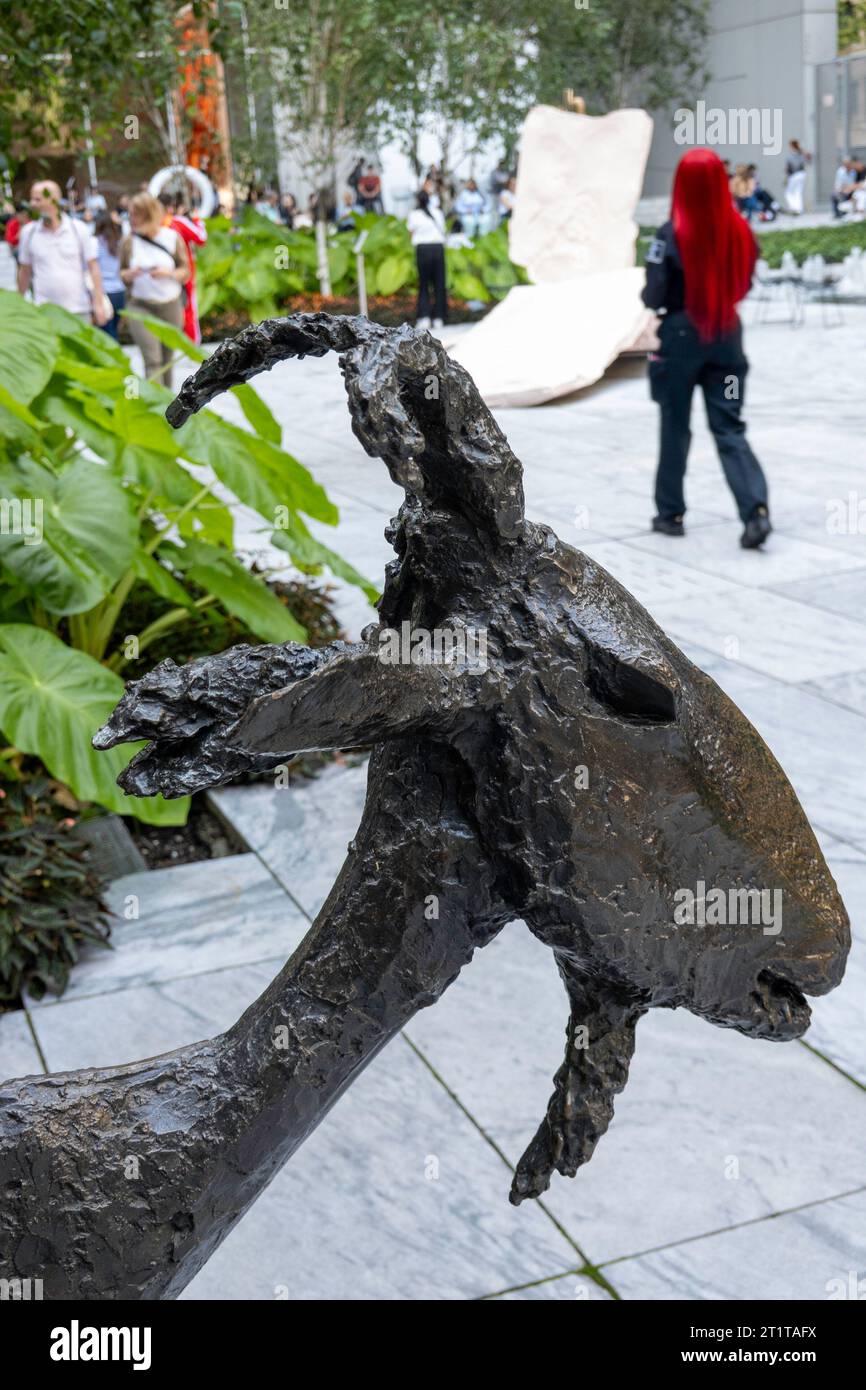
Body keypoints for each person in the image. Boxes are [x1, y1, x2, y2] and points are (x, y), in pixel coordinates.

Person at [641, 148, 771, 550]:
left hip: (680, 342)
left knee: (675, 426)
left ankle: (671, 514)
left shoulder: (668, 235)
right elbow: (745, 285)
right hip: (727, 344)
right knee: (730, 424)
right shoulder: (742, 232)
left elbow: (653, 294)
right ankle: (756, 512)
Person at [17, 180, 111, 325]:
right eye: (32, 199)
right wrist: (18, 305)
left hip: (78, 310)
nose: (32, 204)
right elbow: (24, 271)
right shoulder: (28, 233)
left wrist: (98, 304)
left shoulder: (78, 229)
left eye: (37, 199)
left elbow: (93, 268)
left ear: (53, 200)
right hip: (44, 312)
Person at [119, 192, 189, 378]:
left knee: (167, 361)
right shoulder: (129, 241)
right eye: (130, 214)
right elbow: (122, 274)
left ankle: (168, 404)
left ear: (149, 214)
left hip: (170, 305)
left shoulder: (171, 237)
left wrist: (169, 273)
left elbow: (185, 272)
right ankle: (155, 407)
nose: (131, 219)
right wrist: (130, 274)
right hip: (140, 306)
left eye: (136, 214)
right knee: (152, 360)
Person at [159, 191, 207, 344]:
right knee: (189, 309)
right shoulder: (178, 222)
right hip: (184, 272)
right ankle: (192, 345)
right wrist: (197, 220)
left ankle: (168, 344)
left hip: (161, 273)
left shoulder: (152, 225)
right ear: (171, 207)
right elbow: (201, 238)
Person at [407, 188, 447, 330]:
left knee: (424, 284)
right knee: (439, 283)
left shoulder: (414, 215)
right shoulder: (437, 212)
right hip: (437, 248)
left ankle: (424, 317)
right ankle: (439, 317)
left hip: (423, 249)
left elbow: (410, 232)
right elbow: (443, 229)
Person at [93, 212, 125, 337]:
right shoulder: (119, 243)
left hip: (103, 293)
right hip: (119, 291)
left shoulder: (95, 243)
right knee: (114, 330)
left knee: (106, 333)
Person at [784, 140, 811, 215]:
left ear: (792, 146)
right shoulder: (801, 153)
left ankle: (794, 208)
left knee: (788, 193)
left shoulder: (791, 155)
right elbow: (808, 160)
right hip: (802, 174)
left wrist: (786, 178)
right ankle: (799, 209)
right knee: (798, 192)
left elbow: (788, 168)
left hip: (794, 175)